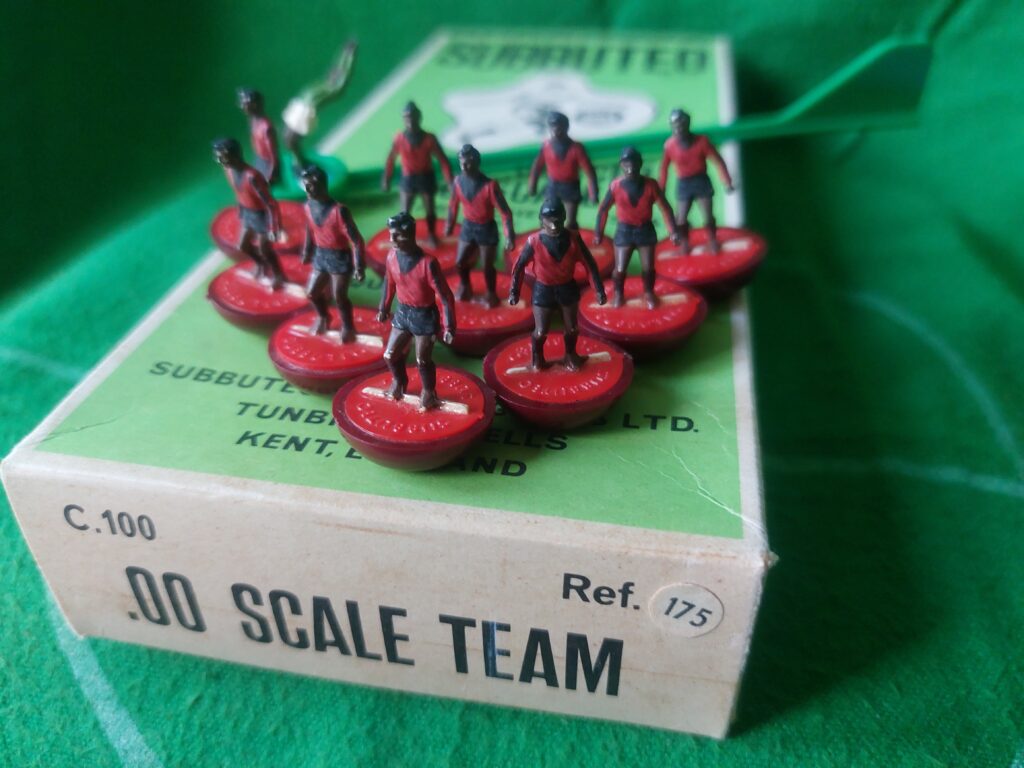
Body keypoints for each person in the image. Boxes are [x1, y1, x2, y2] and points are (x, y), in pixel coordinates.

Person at [510, 199, 606, 371]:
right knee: (541, 331)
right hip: (543, 290)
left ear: (564, 218)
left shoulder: (574, 238)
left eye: (557, 219)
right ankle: (537, 359)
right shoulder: (534, 241)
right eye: (549, 220)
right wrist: (514, 292)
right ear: (541, 220)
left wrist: (598, 290)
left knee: (572, 328)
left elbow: (589, 264)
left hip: (567, 288)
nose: (553, 225)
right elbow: (519, 267)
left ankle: (570, 355)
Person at [376, 212, 456, 411]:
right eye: (391, 234)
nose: (392, 239)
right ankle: (399, 382)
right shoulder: (391, 256)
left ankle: (429, 393)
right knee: (389, 355)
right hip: (403, 313)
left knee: (422, 360)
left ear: (410, 235)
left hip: (424, 317)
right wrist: (384, 308)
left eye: (397, 235)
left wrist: (449, 325)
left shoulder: (428, 263)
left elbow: (445, 296)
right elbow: (389, 283)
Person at [594, 147, 680, 309]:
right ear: (621, 165)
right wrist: (599, 232)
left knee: (648, 267)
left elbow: (665, 208)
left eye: (634, 163)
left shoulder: (651, 185)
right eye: (626, 164)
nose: (630, 167)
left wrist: (673, 231)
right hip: (624, 231)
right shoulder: (615, 186)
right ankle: (618, 293)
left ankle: (648, 292)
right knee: (620, 268)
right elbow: (603, 209)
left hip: (645, 230)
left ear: (640, 164)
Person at [299, 165, 366, 340]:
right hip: (321, 255)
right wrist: (307, 250)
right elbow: (310, 229)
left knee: (339, 296)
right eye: (306, 185)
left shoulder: (339, 211)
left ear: (322, 185)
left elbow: (356, 240)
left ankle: (348, 327)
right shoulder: (308, 206)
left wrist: (359, 266)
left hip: (340, 257)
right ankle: (323, 316)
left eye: (312, 185)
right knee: (311, 292)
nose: (308, 190)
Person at [445, 144, 515, 307]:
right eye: (462, 163)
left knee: (487, 266)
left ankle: (491, 293)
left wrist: (509, 236)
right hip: (468, 227)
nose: (464, 167)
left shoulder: (489, 185)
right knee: (460, 262)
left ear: (476, 163)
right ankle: (465, 286)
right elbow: (453, 205)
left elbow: (505, 212)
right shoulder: (457, 181)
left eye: (468, 163)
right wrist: (449, 224)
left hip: (486, 228)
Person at [658, 108, 734, 254]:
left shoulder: (702, 141)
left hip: (701, 181)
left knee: (708, 215)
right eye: (675, 126)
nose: (679, 129)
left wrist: (727, 181)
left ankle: (712, 239)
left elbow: (718, 161)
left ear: (687, 124)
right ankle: (685, 243)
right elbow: (664, 169)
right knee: (681, 219)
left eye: (682, 125)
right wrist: (661, 189)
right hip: (684, 183)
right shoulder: (670, 146)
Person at [212, 137, 285, 288]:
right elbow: (239, 194)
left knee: (265, 249)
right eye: (218, 157)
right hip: (248, 215)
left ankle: (279, 275)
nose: (220, 161)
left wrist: (274, 227)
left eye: (223, 157)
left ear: (235, 155)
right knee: (243, 246)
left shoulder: (252, 176)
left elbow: (270, 203)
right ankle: (261, 264)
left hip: (262, 217)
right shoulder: (229, 171)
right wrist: (241, 211)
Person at [282, 41, 358, 178]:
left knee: (291, 141)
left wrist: (350, 55)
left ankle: (299, 164)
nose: (333, 72)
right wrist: (345, 52)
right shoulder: (324, 84)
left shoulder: (334, 89)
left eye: (336, 74)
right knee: (290, 141)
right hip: (299, 106)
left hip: (303, 112)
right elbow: (338, 67)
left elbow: (344, 76)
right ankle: (298, 163)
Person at [382, 102, 453, 247]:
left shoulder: (429, 138)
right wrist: (386, 178)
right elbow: (391, 159)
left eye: (413, 117)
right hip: (408, 178)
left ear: (419, 118)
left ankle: (431, 234)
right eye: (407, 118)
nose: (410, 121)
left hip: (426, 177)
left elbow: (443, 159)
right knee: (404, 211)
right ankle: (404, 236)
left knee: (430, 209)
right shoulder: (399, 138)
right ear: (404, 119)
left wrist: (449, 181)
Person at [526, 111, 598, 230]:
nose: (556, 129)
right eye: (553, 126)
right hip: (553, 186)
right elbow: (537, 167)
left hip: (571, 187)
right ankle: (544, 240)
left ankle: (573, 240)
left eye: (559, 126)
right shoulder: (546, 146)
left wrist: (593, 192)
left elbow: (589, 171)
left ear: (566, 127)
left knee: (571, 222)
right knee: (546, 218)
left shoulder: (576, 148)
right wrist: (532, 185)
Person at [237, 89, 280, 185]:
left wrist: (272, 172)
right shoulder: (252, 121)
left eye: (245, 104)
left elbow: (273, 153)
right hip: (259, 158)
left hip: (267, 162)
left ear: (255, 105)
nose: (243, 107)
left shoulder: (266, 127)